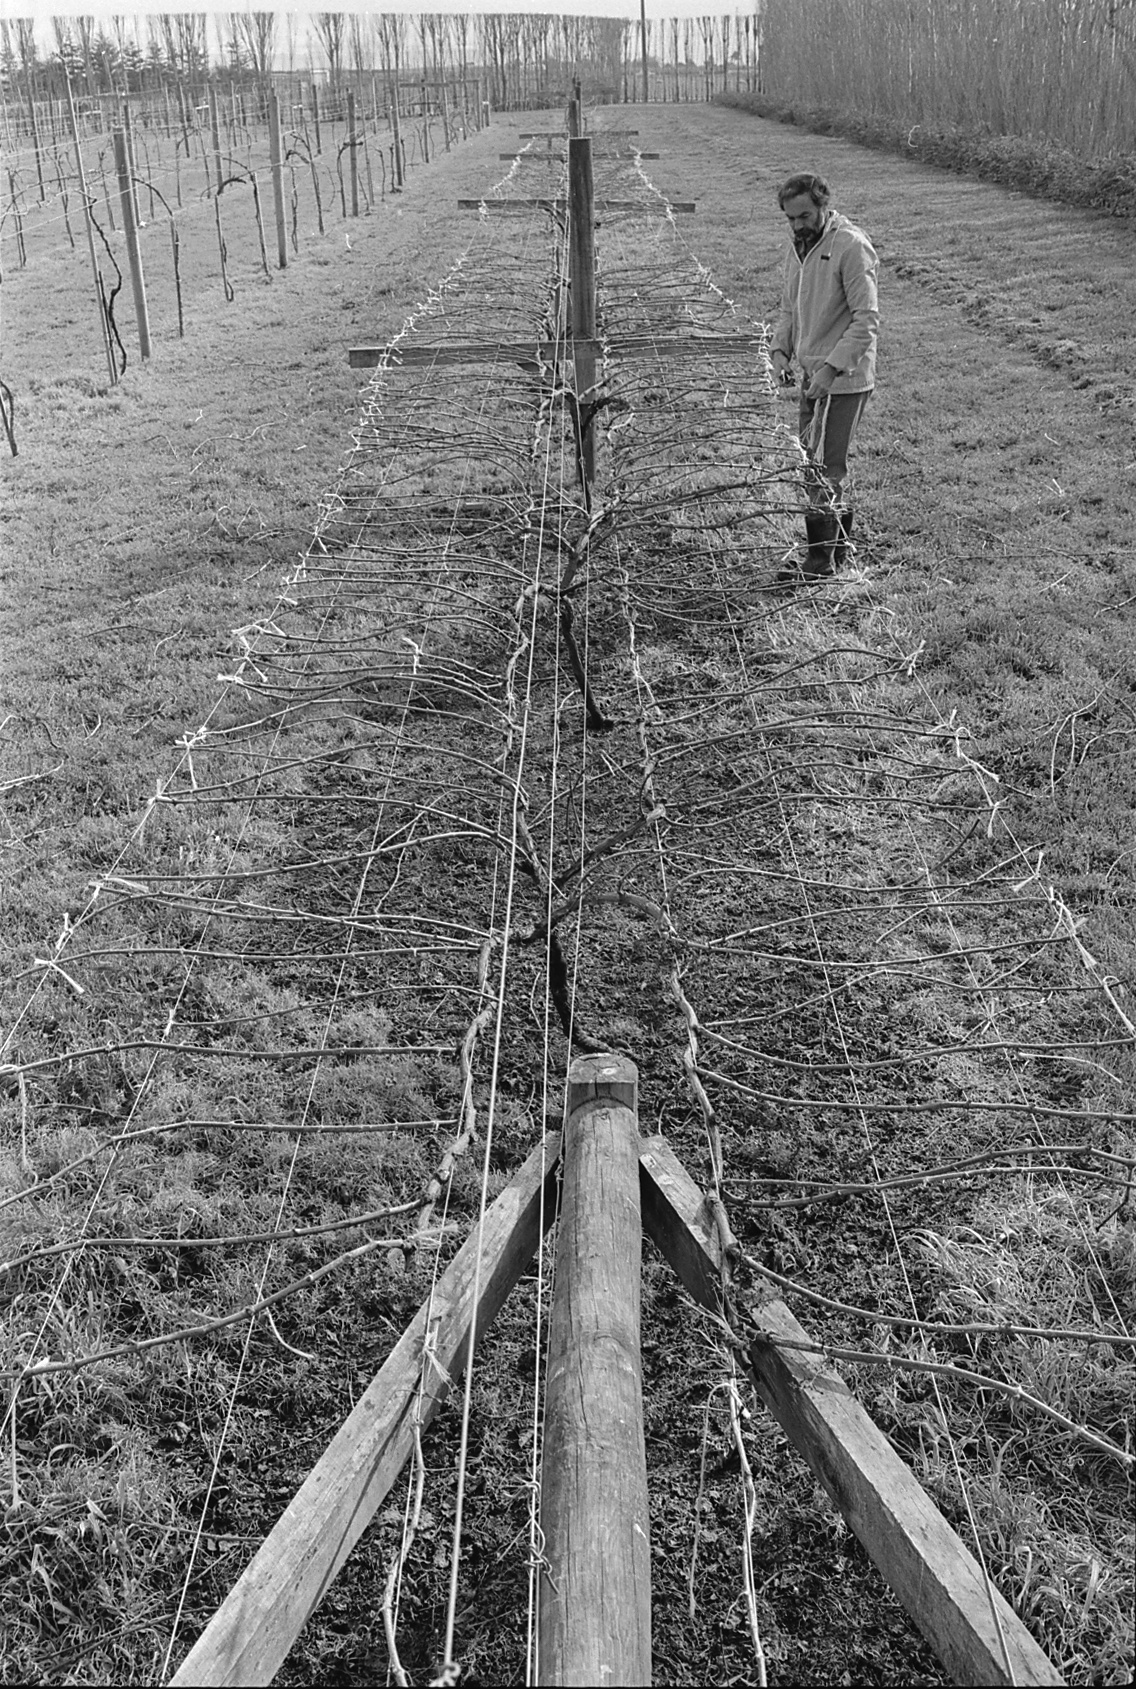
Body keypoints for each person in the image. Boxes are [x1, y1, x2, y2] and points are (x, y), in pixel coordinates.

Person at [770, 172, 879, 582]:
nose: (798, 225)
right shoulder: (799, 249)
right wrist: (780, 351)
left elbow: (867, 321)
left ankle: (819, 566)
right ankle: (838, 551)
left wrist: (832, 369)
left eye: (804, 215)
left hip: (843, 379)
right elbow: (789, 309)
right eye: (790, 219)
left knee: (821, 468)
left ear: (824, 206)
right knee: (816, 465)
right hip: (811, 373)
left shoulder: (851, 246)